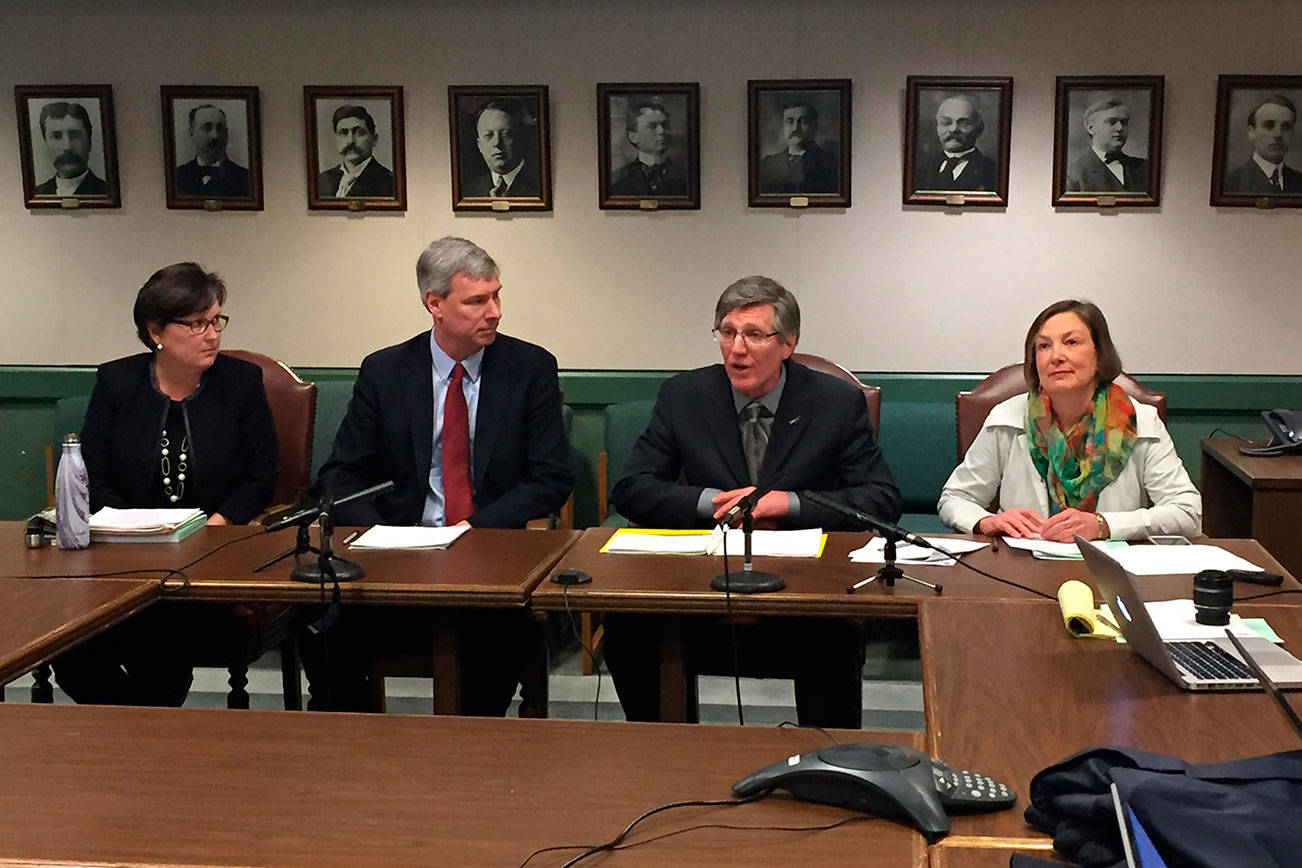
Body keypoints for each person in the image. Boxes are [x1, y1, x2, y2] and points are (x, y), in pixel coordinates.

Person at [604, 276, 901, 729]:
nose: (736, 349)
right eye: (727, 332)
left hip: (805, 583)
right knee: (628, 628)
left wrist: (789, 504)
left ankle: (830, 766)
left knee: (833, 635)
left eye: (754, 335)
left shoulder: (834, 403)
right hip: (703, 580)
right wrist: (711, 502)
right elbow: (631, 487)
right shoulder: (685, 396)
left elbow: (880, 499)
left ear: (787, 344)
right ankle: (660, 753)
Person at [306, 236, 573, 712]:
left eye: (496, 296)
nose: (494, 312)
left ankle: (470, 755)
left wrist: (476, 528)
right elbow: (341, 473)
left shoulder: (530, 368)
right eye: (476, 301)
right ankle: (352, 751)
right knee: (323, 623)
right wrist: (379, 535)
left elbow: (551, 477)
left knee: (490, 650)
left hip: (489, 554)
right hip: (395, 554)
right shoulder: (385, 371)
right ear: (435, 304)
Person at [51, 262, 279, 705]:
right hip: (123, 559)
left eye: (216, 321)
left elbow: (261, 474)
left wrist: (216, 524)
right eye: (196, 324)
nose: (212, 334)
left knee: (159, 632)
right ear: (156, 330)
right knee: (72, 645)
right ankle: (138, 740)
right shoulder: (117, 382)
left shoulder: (240, 383)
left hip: (211, 559)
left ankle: (141, 745)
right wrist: (129, 529)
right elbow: (94, 474)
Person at [938, 299, 1201, 542]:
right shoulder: (1006, 418)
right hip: (1023, 567)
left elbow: (1187, 512)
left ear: (1100, 356)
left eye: (1071, 342)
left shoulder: (1141, 420)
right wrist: (986, 521)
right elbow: (955, 498)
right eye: (1044, 346)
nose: (1056, 356)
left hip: (1113, 570)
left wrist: (1104, 525)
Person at [1065, 95, 1150, 193]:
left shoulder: (1145, 168)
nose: (1120, 128)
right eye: (1111, 122)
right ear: (1091, 128)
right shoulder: (1073, 174)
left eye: (1124, 122)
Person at [916, 95, 999, 192]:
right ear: (937, 128)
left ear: (979, 129)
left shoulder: (992, 172)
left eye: (963, 123)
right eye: (946, 122)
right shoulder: (922, 170)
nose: (953, 129)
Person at [1223, 95, 1302, 195]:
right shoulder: (1231, 183)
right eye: (1269, 125)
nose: (1278, 134)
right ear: (1251, 132)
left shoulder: (1299, 181)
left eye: (1286, 126)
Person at [757, 101, 838, 194]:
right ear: (783, 126)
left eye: (804, 122)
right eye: (790, 122)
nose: (795, 128)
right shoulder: (767, 164)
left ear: (815, 126)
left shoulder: (831, 163)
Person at [610, 101, 687, 197]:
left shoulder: (686, 176)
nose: (662, 131)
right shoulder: (618, 180)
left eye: (665, 125)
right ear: (633, 136)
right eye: (652, 126)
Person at [464, 100, 539, 197]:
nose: (497, 143)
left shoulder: (539, 186)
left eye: (505, 135)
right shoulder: (469, 192)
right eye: (488, 135)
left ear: (523, 139)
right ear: (479, 145)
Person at [318, 104, 395, 198]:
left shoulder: (389, 182)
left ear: (374, 139)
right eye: (343, 133)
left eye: (359, 133)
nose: (350, 141)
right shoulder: (322, 180)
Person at [175, 104, 252, 198]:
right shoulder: (178, 177)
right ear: (191, 133)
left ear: (226, 134)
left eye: (220, 129)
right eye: (207, 128)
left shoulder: (246, 179)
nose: (215, 136)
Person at [32, 101, 108, 196]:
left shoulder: (105, 191)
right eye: (56, 136)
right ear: (45, 143)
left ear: (89, 140)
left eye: (75, 135)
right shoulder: (38, 194)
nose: (67, 146)